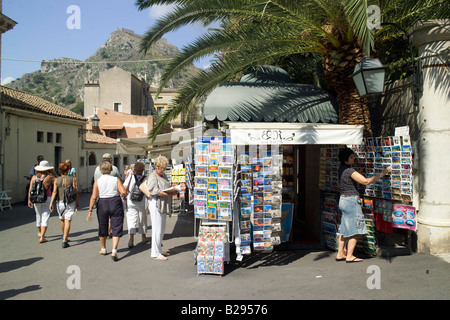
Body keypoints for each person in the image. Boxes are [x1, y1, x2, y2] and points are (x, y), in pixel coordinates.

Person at [336, 148, 391, 263]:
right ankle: (350, 255)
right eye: (351, 157)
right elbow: (365, 181)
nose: (353, 158)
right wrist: (383, 173)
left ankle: (340, 253)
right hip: (351, 201)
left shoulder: (341, 169)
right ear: (346, 159)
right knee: (356, 228)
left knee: (345, 228)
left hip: (343, 200)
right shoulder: (349, 171)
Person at [87, 161, 127, 261]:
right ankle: (114, 251)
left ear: (101, 170)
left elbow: (94, 197)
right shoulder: (115, 179)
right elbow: (123, 192)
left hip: (102, 203)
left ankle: (103, 248)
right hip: (115, 202)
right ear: (111, 169)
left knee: (102, 225)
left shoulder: (97, 181)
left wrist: (90, 211)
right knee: (116, 225)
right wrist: (121, 195)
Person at [144, 155, 174, 261]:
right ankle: (155, 253)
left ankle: (159, 250)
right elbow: (153, 190)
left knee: (161, 228)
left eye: (164, 168)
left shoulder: (163, 175)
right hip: (156, 203)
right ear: (156, 166)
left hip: (162, 203)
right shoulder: (153, 176)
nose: (163, 170)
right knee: (157, 228)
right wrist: (167, 193)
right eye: (162, 168)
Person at [49, 162, 79, 248]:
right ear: (68, 170)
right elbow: (75, 190)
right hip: (70, 202)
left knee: (62, 219)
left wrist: (51, 203)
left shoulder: (57, 180)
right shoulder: (72, 179)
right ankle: (65, 240)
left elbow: (54, 192)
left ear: (60, 170)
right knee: (68, 220)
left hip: (60, 202)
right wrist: (77, 201)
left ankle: (64, 235)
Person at [28, 160, 56, 243]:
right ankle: (42, 237)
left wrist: (29, 199)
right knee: (45, 216)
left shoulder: (34, 177)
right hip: (47, 198)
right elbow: (58, 181)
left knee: (38, 215)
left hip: (36, 199)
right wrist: (54, 172)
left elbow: (30, 189)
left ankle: (40, 232)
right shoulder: (49, 177)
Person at [124, 162, 149, 248]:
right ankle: (143, 237)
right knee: (142, 219)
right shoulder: (146, 178)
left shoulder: (130, 177)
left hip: (131, 202)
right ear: (143, 170)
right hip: (142, 202)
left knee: (131, 220)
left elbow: (124, 187)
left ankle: (131, 239)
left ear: (134, 169)